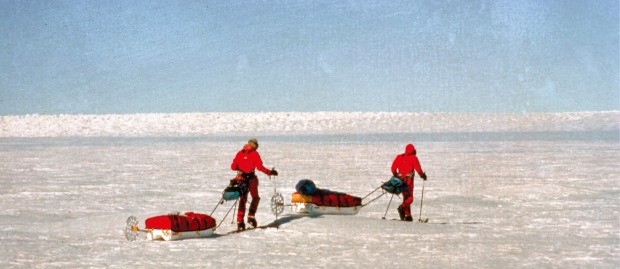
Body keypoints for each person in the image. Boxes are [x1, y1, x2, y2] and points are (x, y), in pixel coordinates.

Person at [230, 138, 278, 230]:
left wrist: (241, 168)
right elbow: (260, 167)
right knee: (255, 197)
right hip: (251, 179)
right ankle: (251, 217)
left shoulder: (240, 153)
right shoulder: (254, 153)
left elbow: (233, 167)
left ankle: (240, 222)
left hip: (241, 179)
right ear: (255, 146)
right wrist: (270, 172)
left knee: (242, 200)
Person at [390, 143, 427, 221]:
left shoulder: (399, 157)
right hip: (408, 180)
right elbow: (418, 169)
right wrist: (423, 176)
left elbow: (393, 168)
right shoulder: (413, 158)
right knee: (410, 198)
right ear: (413, 151)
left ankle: (408, 215)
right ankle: (402, 208)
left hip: (400, 180)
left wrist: (396, 175)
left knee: (406, 197)